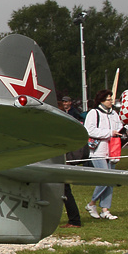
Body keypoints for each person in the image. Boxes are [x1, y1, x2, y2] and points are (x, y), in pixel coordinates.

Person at [84, 89, 125, 220]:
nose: (111, 101)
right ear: (101, 100)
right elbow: (89, 130)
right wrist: (109, 132)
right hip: (98, 151)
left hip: (113, 150)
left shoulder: (114, 114)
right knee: (104, 179)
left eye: (111, 99)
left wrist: (123, 131)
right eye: (108, 99)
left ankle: (105, 209)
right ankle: (92, 203)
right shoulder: (94, 113)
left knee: (110, 180)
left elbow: (119, 127)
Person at [58, 96, 84, 227]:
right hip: (62, 158)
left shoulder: (72, 117)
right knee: (64, 190)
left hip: (63, 158)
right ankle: (74, 219)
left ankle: (74, 220)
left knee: (65, 190)